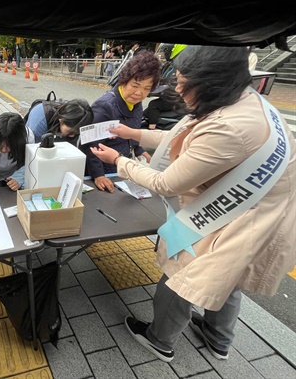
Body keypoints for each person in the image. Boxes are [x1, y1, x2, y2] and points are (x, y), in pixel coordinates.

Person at [90, 45, 296, 363]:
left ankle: (160, 339)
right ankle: (218, 337)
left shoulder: (228, 127)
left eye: (185, 82)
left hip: (242, 209)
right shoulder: (240, 99)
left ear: (211, 82)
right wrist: (133, 133)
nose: (178, 88)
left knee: (182, 268)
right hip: (255, 203)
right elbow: (184, 135)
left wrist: (118, 160)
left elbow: (167, 182)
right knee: (227, 271)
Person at [83, 50, 161, 192]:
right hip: (105, 169)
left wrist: (138, 149)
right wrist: (98, 175)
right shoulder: (105, 105)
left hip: (122, 164)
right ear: (125, 80)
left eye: (146, 89)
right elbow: (90, 143)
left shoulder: (135, 102)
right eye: (135, 86)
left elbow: (132, 129)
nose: (139, 93)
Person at [25, 98, 92, 146]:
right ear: (61, 121)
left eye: (77, 133)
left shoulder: (78, 116)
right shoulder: (39, 123)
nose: (72, 135)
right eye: (70, 132)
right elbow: (34, 151)